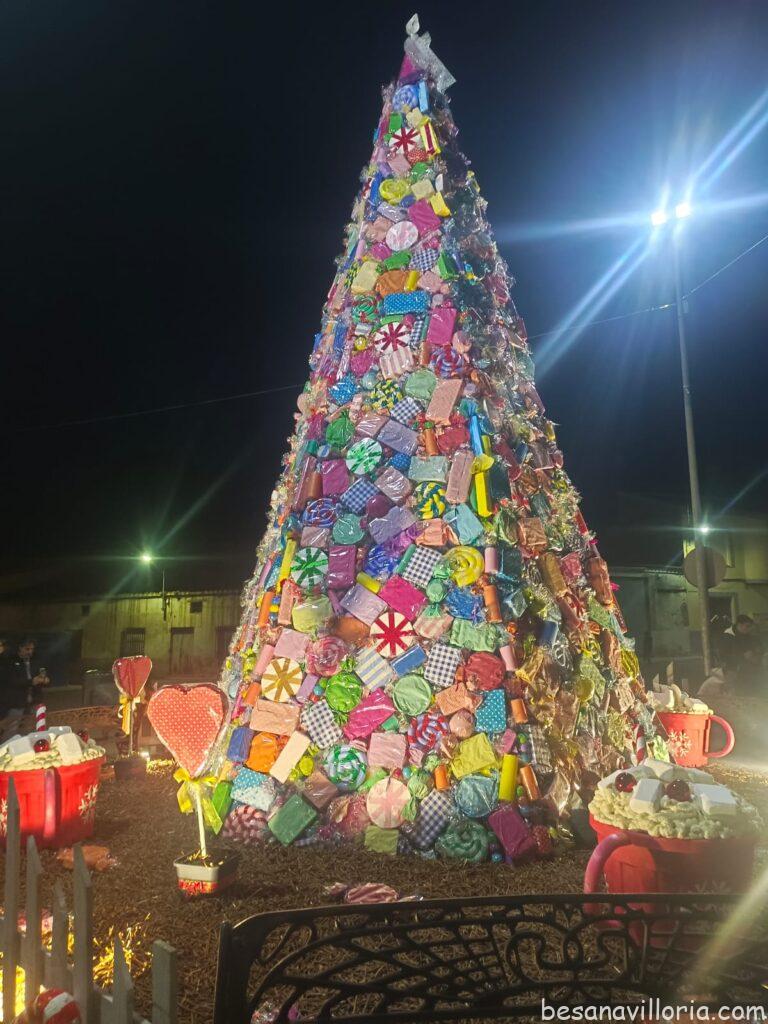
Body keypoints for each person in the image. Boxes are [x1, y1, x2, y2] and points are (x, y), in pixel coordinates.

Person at [719, 615, 763, 695]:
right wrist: (743, 656)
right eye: (747, 626)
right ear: (739, 625)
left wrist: (754, 654)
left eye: (750, 627)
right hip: (732, 669)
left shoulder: (746, 635)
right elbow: (724, 656)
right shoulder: (727, 636)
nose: (749, 629)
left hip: (746, 670)